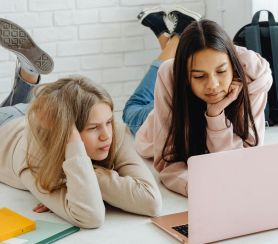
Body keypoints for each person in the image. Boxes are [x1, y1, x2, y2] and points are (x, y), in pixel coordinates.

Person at [0, 18, 162, 228]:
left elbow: (151, 202)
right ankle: (28, 75)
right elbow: (91, 217)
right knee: (13, 108)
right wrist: (78, 180)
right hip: (6, 128)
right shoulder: (35, 156)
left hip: (33, 114)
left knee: (27, 104)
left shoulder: (114, 132)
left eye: (108, 122)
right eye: (93, 128)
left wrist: (78, 181)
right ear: (68, 132)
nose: (106, 135)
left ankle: (28, 73)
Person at [123, 8, 273, 196]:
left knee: (175, 66)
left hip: (186, 86)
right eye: (199, 76)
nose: (213, 85)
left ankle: (174, 40)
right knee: (131, 108)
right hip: (164, 114)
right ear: (186, 77)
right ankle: (176, 41)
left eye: (221, 72)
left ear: (233, 66)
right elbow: (168, 165)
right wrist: (202, 189)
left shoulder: (252, 79)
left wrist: (216, 114)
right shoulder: (170, 75)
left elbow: (241, 160)